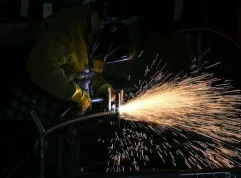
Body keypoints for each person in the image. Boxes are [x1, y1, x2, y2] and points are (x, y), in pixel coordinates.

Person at [1, 1, 143, 177]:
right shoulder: (65, 29)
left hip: (61, 109)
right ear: (107, 24)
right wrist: (77, 95)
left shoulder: (97, 36)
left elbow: (91, 70)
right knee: (29, 164)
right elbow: (42, 70)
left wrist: (101, 86)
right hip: (31, 104)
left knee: (66, 165)